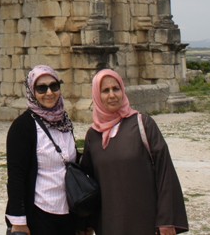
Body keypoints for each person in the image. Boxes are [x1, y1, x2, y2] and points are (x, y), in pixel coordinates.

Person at [80, 69, 189, 235]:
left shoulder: (143, 125)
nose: (112, 95)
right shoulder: (93, 136)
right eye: (105, 90)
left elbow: (164, 173)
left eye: (116, 89)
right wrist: (86, 222)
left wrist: (167, 220)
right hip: (109, 224)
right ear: (97, 95)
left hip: (145, 221)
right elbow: (88, 184)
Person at [5, 65, 79, 235]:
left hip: (68, 211)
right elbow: (16, 176)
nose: (49, 92)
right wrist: (18, 221)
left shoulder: (64, 122)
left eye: (54, 86)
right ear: (32, 91)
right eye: (41, 88)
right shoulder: (22, 127)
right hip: (39, 211)